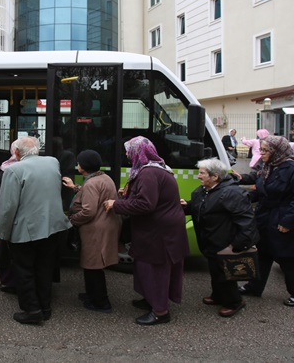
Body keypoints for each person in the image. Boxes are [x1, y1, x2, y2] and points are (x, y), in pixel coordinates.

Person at [103, 136, 189, 326]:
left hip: (159, 231)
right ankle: (150, 299)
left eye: (128, 150)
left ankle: (160, 311)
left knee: (155, 269)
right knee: (145, 267)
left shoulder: (148, 173)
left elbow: (146, 204)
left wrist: (116, 204)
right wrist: (127, 196)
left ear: (137, 152)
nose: (126, 154)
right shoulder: (156, 169)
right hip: (161, 228)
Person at [0, 136, 72, 325]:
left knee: (24, 270)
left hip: (26, 230)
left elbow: (8, 208)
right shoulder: (52, 162)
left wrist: (4, 235)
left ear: (16, 153)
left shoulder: (13, 170)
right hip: (53, 227)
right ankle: (45, 307)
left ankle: (32, 310)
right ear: (38, 150)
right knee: (44, 268)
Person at [236, 136, 294, 307]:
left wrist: (287, 222)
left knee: (287, 258)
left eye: (265, 150)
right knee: (262, 254)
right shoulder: (269, 167)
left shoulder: (293, 169)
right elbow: (262, 190)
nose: (261, 153)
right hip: (265, 217)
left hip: (282, 218)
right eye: (261, 149)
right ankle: (255, 287)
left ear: (277, 151)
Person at [183, 158, 258, 318]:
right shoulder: (204, 190)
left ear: (215, 176)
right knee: (215, 269)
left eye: (202, 173)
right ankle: (218, 295)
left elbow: (246, 221)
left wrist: (237, 245)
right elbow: (199, 206)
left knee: (226, 273)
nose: (198, 176)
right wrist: (186, 206)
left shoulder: (232, 193)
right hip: (210, 241)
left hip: (225, 243)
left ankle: (234, 302)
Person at [62, 150, 121, 314]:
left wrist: (71, 221)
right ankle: (91, 295)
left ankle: (101, 302)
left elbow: (88, 211)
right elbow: (94, 196)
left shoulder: (91, 183)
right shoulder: (103, 178)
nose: (77, 165)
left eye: (79, 162)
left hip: (96, 229)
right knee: (92, 265)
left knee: (93, 266)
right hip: (105, 226)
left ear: (84, 166)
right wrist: (75, 187)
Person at [0, 140, 20, 295]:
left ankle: (8, 282)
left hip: (8, 215)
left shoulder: (7, 167)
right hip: (19, 216)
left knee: (5, 249)